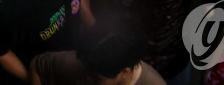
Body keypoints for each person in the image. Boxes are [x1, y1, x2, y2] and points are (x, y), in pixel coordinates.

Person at [30, 26, 166, 84]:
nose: (88, 79)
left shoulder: (152, 83)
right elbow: (38, 65)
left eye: (97, 79)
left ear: (124, 72)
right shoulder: (79, 66)